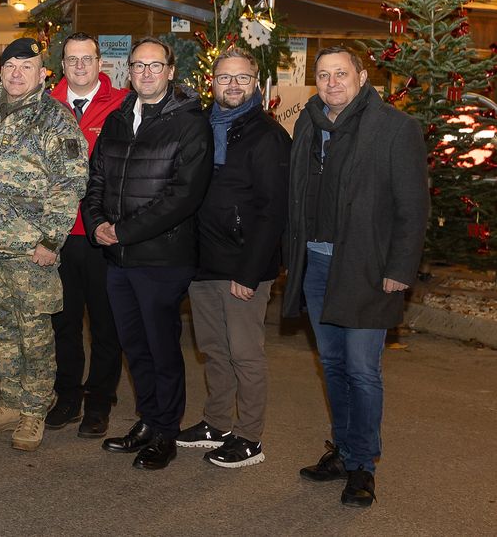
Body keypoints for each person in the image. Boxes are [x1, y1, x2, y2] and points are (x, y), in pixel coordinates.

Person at [284, 46, 429, 508]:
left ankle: (363, 465)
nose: (332, 83)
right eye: (324, 75)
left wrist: (400, 269)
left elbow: (413, 207)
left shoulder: (395, 128)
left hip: (367, 267)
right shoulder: (308, 123)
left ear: (362, 77)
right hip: (316, 263)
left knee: (363, 370)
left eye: (341, 73)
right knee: (332, 364)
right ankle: (344, 452)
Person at [83, 37, 212, 471]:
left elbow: (183, 196)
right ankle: (149, 419)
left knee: (161, 349)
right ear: (129, 72)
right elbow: (97, 178)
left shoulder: (190, 123)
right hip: (118, 258)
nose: (146, 73)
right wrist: (97, 222)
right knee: (134, 347)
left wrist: (122, 231)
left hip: (162, 259)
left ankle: (166, 432)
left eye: (155, 66)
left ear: (171, 72)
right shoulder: (119, 118)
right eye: (138, 65)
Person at [0, 39, 88, 453]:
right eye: (10, 66)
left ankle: (35, 410)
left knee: (34, 333)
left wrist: (51, 240)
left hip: (30, 249)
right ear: (0, 71)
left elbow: (70, 183)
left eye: (27, 66)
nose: (17, 73)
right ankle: (12, 401)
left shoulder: (55, 118)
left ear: (42, 73)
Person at [178, 48, 289, 467]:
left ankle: (249, 437)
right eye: (225, 77)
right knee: (214, 349)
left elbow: (274, 211)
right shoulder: (203, 127)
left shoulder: (268, 135)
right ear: (213, 82)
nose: (233, 85)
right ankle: (217, 422)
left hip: (244, 266)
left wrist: (250, 271)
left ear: (255, 83)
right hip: (204, 263)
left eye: (242, 77)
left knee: (245, 354)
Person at [47, 32, 129, 437]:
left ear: (100, 63)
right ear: (63, 65)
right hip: (59, 236)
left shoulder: (123, 104)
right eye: (72, 59)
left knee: (104, 324)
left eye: (87, 59)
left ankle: (99, 400)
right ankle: (67, 395)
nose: (79, 66)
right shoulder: (46, 106)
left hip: (102, 235)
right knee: (63, 323)